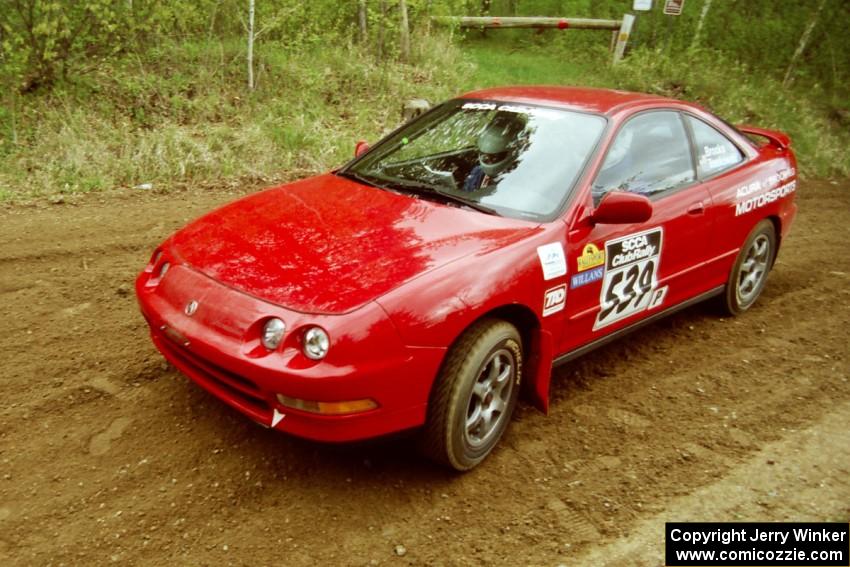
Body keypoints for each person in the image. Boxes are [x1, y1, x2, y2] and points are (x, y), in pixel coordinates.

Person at [463, 111, 527, 192]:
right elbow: (467, 193)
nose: (488, 160)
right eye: (485, 155)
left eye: (494, 157)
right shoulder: (478, 172)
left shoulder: (520, 182)